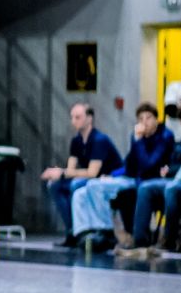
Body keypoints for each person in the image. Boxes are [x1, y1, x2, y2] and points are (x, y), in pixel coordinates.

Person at [73, 103, 174, 250]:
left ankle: (106, 232)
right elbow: (130, 164)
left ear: (156, 120)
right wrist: (112, 175)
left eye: (148, 118)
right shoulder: (137, 136)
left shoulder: (164, 136)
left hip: (148, 180)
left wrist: (138, 141)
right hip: (132, 177)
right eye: (141, 119)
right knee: (80, 193)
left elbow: (148, 165)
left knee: (94, 186)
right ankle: (84, 233)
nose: (144, 122)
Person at [124, 106, 181, 255]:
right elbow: (131, 166)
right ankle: (140, 241)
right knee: (143, 188)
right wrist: (135, 140)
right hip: (174, 178)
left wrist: (170, 170)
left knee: (167, 188)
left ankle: (169, 240)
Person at [40, 103, 123, 247]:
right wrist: (59, 173)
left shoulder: (99, 140)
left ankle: (83, 231)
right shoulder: (76, 141)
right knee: (55, 185)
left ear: (89, 119)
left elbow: (92, 172)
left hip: (107, 179)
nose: (73, 121)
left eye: (77, 117)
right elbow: (70, 170)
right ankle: (72, 231)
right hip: (90, 179)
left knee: (75, 184)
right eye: (72, 117)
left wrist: (62, 173)